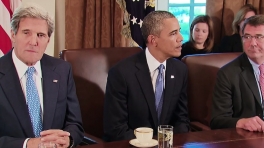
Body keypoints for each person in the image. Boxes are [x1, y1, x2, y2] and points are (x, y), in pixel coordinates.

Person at [0, 3, 84, 148]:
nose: (34, 42)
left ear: (48, 40)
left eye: (40, 35)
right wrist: (27, 144)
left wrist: (68, 140)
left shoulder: (62, 70)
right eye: (26, 33)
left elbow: (75, 124)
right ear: (13, 35)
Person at [103, 10, 189, 142]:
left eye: (179, 31)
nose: (180, 38)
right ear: (153, 40)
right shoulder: (121, 73)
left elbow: (181, 120)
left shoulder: (180, 70)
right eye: (173, 33)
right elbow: (116, 129)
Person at [211, 15, 264, 132]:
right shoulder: (227, 74)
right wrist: (242, 122)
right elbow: (217, 120)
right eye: (247, 37)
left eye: (259, 37)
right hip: (247, 139)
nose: (253, 43)